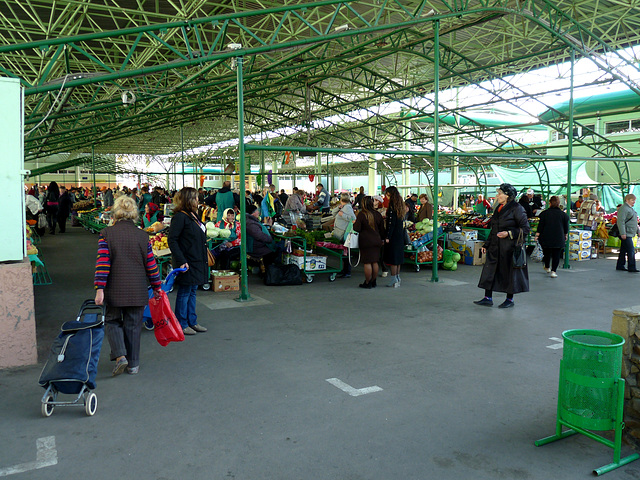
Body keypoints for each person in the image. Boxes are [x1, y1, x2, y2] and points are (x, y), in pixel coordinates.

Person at [94, 196, 162, 376]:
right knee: (133, 324)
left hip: (114, 288)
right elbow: (151, 265)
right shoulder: (142, 235)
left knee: (112, 321)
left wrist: (99, 288)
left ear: (115, 212)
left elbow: (103, 263)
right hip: (137, 289)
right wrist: (156, 287)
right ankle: (133, 365)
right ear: (134, 214)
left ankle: (120, 356)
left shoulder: (106, 234)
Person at [474, 183, 530, 308]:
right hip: (495, 246)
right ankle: (487, 298)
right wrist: (486, 244)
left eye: (500, 193)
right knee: (489, 271)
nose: (497, 195)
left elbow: (525, 228)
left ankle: (509, 300)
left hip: (509, 248)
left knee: (509, 273)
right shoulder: (498, 208)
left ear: (507, 195)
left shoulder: (517, 208)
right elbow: (494, 228)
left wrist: (509, 233)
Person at [168, 187, 209, 335]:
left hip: (197, 259)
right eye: (196, 197)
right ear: (189, 199)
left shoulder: (193, 215)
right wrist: (181, 260)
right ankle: (182, 323)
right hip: (187, 260)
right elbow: (172, 240)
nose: (198, 200)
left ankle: (192, 321)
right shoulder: (180, 217)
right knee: (185, 291)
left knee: (192, 291)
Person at [353, 196, 385, 288]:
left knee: (367, 262)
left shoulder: (362, 214)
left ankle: (367, 283)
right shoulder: (377, 214)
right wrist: (382, 239)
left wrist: (354, 223)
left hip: (366, 241)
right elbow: (382, 229)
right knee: (375, 262)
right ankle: (373, 281)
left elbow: (357, 228)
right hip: (377, 240)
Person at [534, 196, 569, 278]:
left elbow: (540, 226)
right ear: (558, 203)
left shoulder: (544, 214)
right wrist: (565, 234)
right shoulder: (564, 215)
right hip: (559, 237)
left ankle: (547, 266)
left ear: (549, 203)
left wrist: (537, 235)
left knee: (546, 253)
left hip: (546, 236)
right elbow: (566, 227)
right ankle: (554, 271)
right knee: (556, 255)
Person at [383, 186, 405, 288]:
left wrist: (388, 236)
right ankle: (397, 278)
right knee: (398, 259)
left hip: (393, 236)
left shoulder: (392, 206)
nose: (386, 197)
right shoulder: (400, 204)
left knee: (392, 259)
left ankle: (393, 279)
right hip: (400, 234)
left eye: (387, 194)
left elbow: (391, 223)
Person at [616, 193, 640, 273]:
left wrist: (638, 231)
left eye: (634, 200)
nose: (634, 202)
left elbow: (634, 221)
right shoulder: (624, 208)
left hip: (628, 232)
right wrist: (623, 233)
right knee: (631, 250)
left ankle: (620, 265)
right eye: (632, 200)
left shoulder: (629, 208)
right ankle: (631, 267)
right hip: (626, 233)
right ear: (627, 200)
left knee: (623, 250)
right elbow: (621, 221)